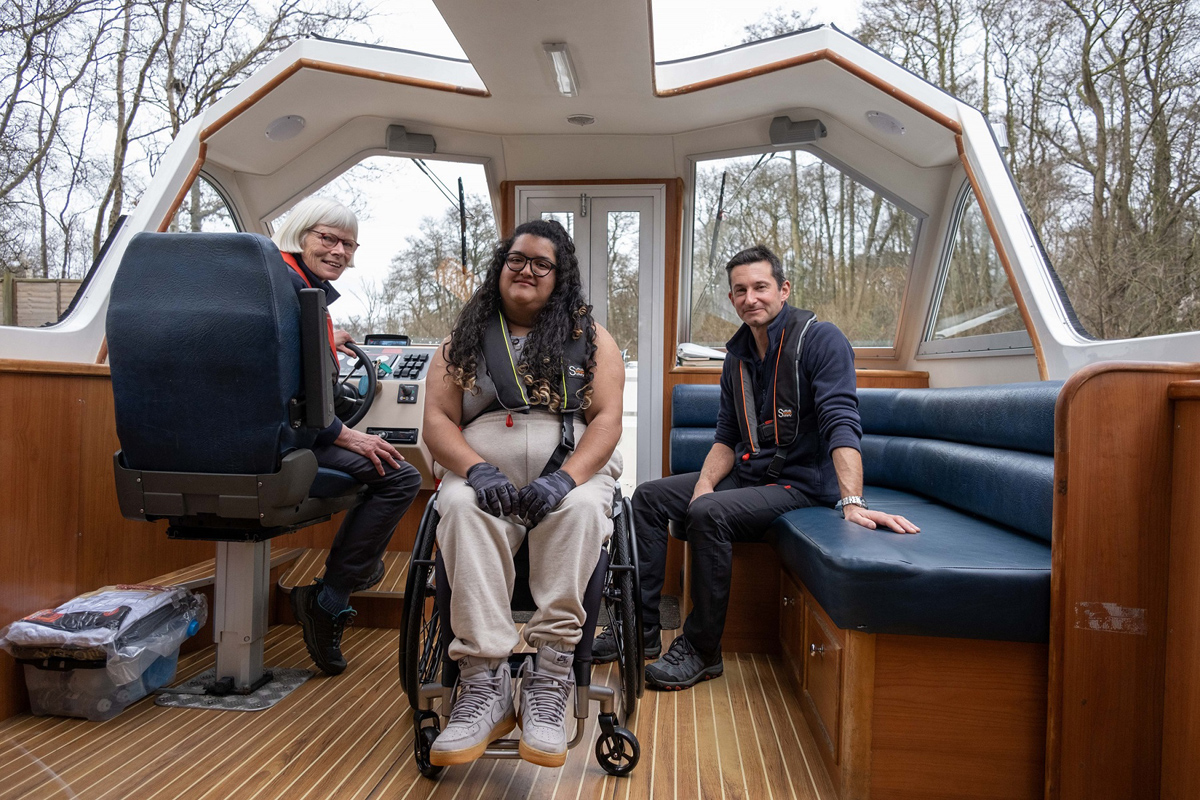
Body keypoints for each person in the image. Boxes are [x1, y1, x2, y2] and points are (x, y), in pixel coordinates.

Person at [595, 244, 918, 690]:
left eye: (761, 287)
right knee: (648, 496)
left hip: (803, 485)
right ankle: (642, 627)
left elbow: (841, 422)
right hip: (752, 474)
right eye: (741, 290)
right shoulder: (738, 356)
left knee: (709, 514)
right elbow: (726, 436)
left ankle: (703, 649)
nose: (751, 298)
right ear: (731, 299)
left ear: (783, 290)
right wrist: (705, 484)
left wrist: (852, 501)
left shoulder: (821, 341)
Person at [422, 219, 624, 768]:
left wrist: (566, 478)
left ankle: (550, 674)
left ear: (560, 277)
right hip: (484, 470)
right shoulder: (464, 337)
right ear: (501, 265)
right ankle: (483, 683)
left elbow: (605, 420)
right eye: (517, 259)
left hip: (570, 470)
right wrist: (475, 470)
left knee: (583, 511)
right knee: (459, 508)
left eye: (542, 263)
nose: (527, 270)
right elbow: (437, 421)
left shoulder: (592, 337)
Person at [273, 196, 422, 676]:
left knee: (385, 469)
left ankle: (359, 567)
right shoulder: (294, 290)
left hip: (245, 437)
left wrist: (326, 342)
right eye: (327, 238)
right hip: (283, 442)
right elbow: (290, 389)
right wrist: (342, 435)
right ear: (300, 233)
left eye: (348, 244)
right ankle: (333, 594)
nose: (338, 251)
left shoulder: (281, 283)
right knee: (399, 476)